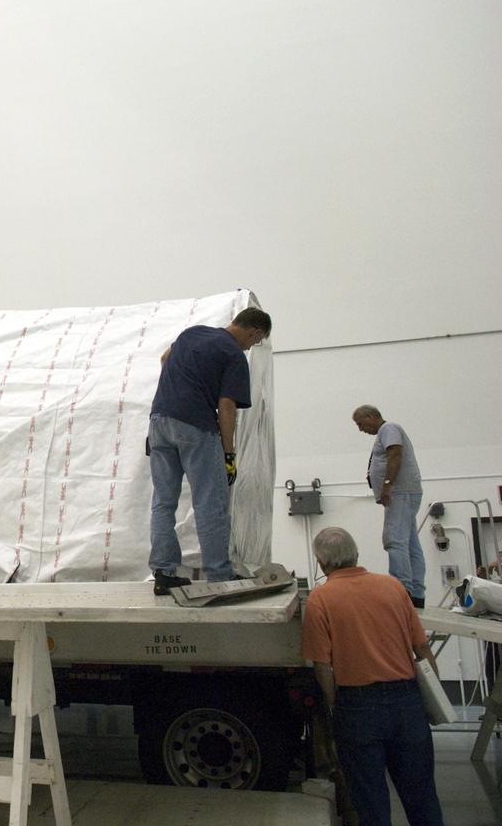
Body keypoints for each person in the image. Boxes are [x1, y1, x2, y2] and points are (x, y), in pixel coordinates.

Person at [300, 527, 444, 826]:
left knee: (371, 801)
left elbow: (322, 666)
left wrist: (335, 702)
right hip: (407, 703)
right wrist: (434, 696)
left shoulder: (320, 599)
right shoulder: (392, 587)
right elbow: (421, 649)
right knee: (422, 797)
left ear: (321, 562)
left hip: (357, 708)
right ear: (356, 554)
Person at [147, 306, 271, 595]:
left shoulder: (192, 333)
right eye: (257, 341)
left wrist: (174, 395)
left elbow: (165, 358)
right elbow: (227, 408)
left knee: (163, 502)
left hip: (159, 422)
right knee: (210, 503)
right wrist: (229, 455)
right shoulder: (234, 356)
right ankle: (220, 575)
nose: (253, 346)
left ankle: (164, 572)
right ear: (254, 331)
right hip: (195, 426)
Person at [352, 405, 426, 607]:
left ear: (371, 416)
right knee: (410, 544)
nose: (360, 429)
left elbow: (395, 454)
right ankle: (416, 592)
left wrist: (387, 485)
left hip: (399, 493)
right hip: (405, 493)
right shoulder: (387, 431)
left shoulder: (389, 428)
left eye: (361, 423)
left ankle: (401, 590)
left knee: (395, 541)